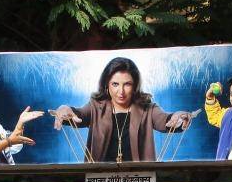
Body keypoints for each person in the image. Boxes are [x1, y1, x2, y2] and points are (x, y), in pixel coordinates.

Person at [53, 57, 191, 163]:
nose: (121, 92)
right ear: (106, 85)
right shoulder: (95, 107)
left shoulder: (148, 109)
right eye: (115, 84)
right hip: (101, 181)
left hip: (139, 181)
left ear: (135, 85)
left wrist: (178, 117)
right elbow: (79, 115)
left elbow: (165, 120)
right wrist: (64, 109)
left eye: (127, 84)